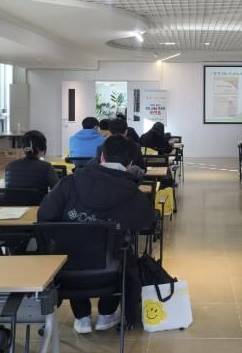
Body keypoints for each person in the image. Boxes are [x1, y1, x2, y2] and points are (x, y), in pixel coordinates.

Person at [38, 135, 155, 333]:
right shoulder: (133, 193)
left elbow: (44, 216)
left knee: (75, 245)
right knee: (122, 252)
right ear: (129, 163)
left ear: (101, 157)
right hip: (110, 275)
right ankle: (106, 314)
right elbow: (148, 223)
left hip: (65, 272)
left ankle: (82, 317)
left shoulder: (69, 183)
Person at [4, 130, 58, 195]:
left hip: (12, 201)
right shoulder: (46, 167)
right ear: (39, 148)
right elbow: (57, 191)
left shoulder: (9, 166)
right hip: (39, 201)